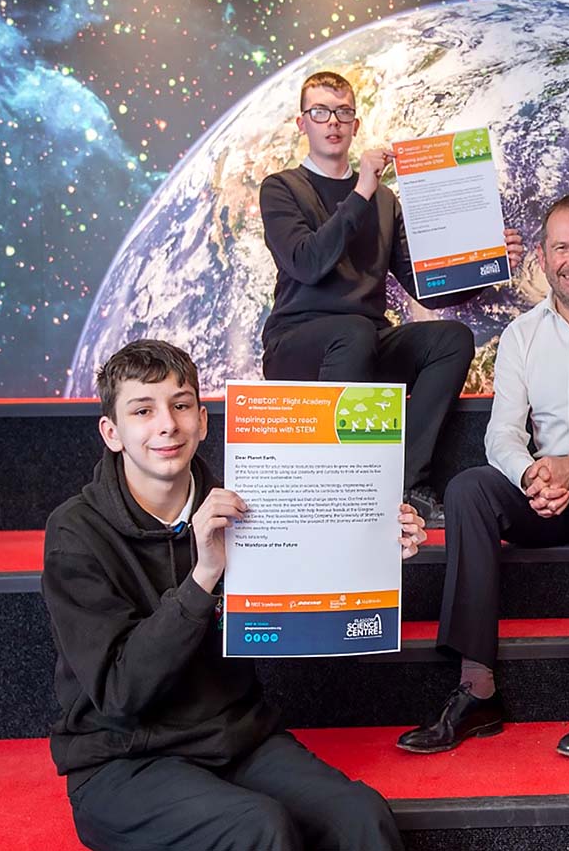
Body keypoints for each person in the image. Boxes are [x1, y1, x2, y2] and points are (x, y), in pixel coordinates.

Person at [42, 339, 425, 851]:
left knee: (362, 817)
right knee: (259, 827)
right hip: (122, 761)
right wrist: (203, 577)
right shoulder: (75, 533)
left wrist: (374, 545)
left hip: (235, 738)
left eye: (180, 406)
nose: (167, 425)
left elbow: (310, 578)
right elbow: (119, 694)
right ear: (112, 433)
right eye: (143, 410)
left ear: (202, 420)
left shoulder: (245, 503)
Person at [396, 194, 569, 760]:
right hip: (545, 489)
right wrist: (531, 475)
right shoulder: (522, 334)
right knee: (468, 488)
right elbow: (501, 433)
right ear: (543, 258)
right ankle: (477, 690)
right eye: (562, 248)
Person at [259, 70, 525, 526]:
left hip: (362, 342)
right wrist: (362, 188)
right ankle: (350, 486)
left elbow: (423, 287)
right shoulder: (282, 188)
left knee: (451, 339)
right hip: (297, 345)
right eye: (320, 112)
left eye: (344, 112)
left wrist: (489, 263)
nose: (333, 122)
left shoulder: (384, 202)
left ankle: (405, 483)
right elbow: (307, 262)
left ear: (355, 124)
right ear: (303, 124)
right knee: (354, 331)